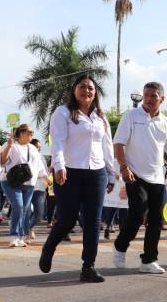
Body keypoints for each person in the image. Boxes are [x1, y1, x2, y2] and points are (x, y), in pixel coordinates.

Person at [38, 75, 117, 282]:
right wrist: (59, 166)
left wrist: (110, 172)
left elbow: (107, 146)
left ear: (95, 93)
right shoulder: (63, 112)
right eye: (82, 87)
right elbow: (58, 141)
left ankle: (88, 266)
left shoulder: (101, 116)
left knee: (93, 221)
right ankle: (49, 248)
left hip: (96, 173)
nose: (87, 91)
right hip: (69, 172)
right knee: (67, 219)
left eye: (91, 88)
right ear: (74, 90)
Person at [112, 81, 167, 274]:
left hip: (158, 179)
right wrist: (124, 167)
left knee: (156, 221)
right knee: (137, 214)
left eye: (154, 96)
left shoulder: (166, 123)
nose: (150, 99)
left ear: (162, 98)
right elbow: (118, 144)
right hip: (134, 174)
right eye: (147, 95)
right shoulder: (131, 116)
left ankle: (148, 260)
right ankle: (120, 245)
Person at [1, 124, 46, 248]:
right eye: (29, 132)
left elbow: (39, 166)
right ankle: (14, 235)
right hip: (11, 182)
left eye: (32, 132)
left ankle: (20, 237)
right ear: (20, 133)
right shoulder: (10, 145)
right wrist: (9, 146)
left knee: (25, 211)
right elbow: (2, 162)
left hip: (29, 183)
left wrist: (46, 177)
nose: (31, 134)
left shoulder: (33, 148)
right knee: (19, 206)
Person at [25, 138, 50, 242]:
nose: (39, 150)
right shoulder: (26, 155)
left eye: (40, 148)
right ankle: (26, 234)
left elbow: (44, 171)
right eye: (37, 147)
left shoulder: (42, 157)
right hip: (27, 186)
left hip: (40, 188)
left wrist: (48, 181)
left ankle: (29, 227)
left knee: (39, 213)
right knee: (26, 212)